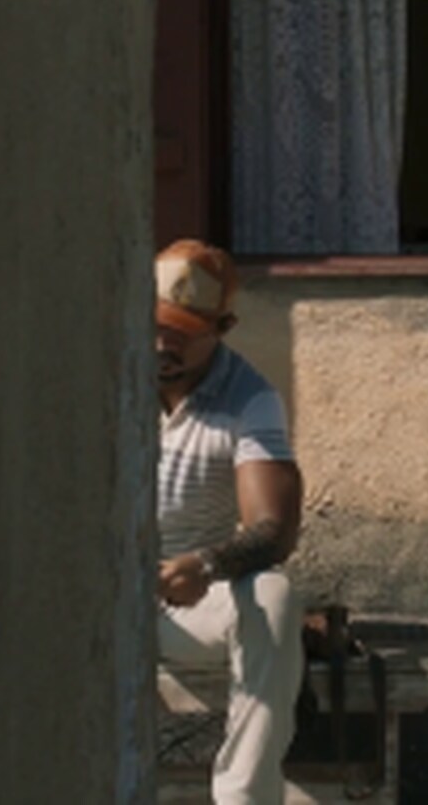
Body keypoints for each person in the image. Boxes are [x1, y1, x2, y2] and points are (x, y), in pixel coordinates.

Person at [155, 238, 304, 805]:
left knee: (273, 596)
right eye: (156, 324)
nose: (163, 343)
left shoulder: (251, 400)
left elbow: (274, 529)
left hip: (187, 602)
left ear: (223, 327)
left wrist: (206, 565)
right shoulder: (105, 375)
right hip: (102, 594)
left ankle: (244, 796)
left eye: (183, 331)